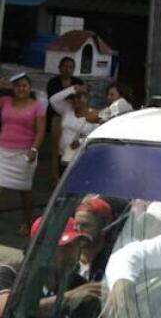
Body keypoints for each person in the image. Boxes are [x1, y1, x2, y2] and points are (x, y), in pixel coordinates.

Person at [0, 73, 46, 235]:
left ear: (29, 88)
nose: (21, 88)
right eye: (18, 85)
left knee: (24, 192)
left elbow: (41, 130)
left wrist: (34, 149)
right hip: (3, 152)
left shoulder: (37, 105)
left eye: (24, 85)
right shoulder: (4, 102)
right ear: (12, 88)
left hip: (25, 153)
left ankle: (28, 223)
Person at [45, 56, 84, 185]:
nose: (68, 69)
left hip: (72, 114)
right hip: (56, 116)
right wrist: (71, 90)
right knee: (55, 148)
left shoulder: (77, 81)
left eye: (71, 67)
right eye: (65, 66)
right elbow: (54, 99)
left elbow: (82, 95)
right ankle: (54, 176)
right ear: (60, 68)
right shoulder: (53, 82)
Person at [47, 82, 98, 175]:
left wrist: (81, 142)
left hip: (81, 159)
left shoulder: (94, 115)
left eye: (78, 97)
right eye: (72, 97)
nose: (75, 100)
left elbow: (96, 139)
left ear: (87, 98)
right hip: (63, 157)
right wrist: (73, 89)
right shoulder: (67, 109)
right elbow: (53, 100)